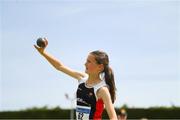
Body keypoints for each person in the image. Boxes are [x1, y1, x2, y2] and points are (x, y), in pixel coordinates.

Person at [34, 38, 117, 120]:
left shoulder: (102, 90)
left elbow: (113, 117)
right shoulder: (82, 78)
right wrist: (43, 53)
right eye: (86, 61)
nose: (85, 64)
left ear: (100, 67)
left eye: (89, 62)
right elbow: (59, 66)